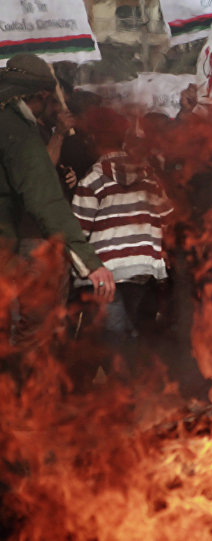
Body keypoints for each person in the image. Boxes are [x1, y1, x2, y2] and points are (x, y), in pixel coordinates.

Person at [0, 54, 114, 358]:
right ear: (39, 97)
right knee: (35, 330)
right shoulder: (18, 130)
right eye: (52, 103)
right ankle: (23, 399)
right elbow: (44, 197)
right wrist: (90, 262)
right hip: (21, 242)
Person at [70, 107, 173, 378]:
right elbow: (167, 217)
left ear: (94, 140)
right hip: (142, 269)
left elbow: (77, 233)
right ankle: (92, 391)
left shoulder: (91, 180)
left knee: (111, 337)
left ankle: (116, 399)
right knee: (115, 333)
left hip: (105, 274)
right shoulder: (149, 175)